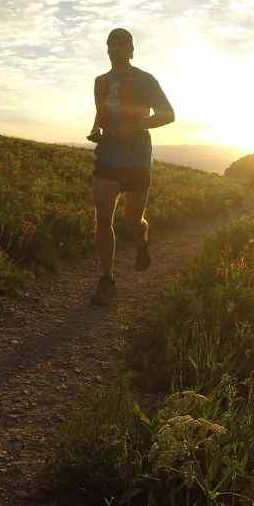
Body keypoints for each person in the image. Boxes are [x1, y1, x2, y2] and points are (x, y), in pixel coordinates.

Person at [86, 28, 174, 305]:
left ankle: (141, 241)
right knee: (102, 216)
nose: (117, 49)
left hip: (137, 156)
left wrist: (138, 124)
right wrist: (95, 130)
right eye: (112, 45)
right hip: (108, 153)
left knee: (133, 219)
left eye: (123, 45)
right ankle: (106, 279)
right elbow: (100, 114)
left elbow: (168, 114)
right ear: (107, 50)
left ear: (132, 51)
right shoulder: (100, 81)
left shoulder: (145, 80)